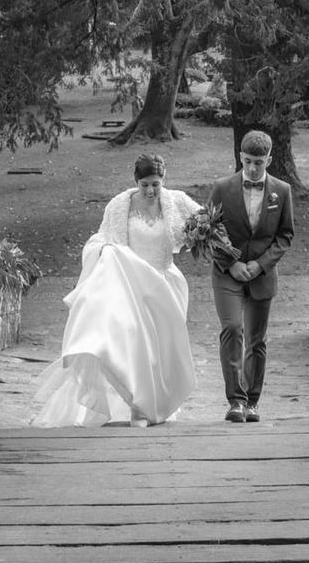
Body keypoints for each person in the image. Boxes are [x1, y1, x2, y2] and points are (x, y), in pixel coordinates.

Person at [31, 153, 202, 427]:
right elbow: (102, 237)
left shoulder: (177, 201)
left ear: (163, 181)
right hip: (129, 284)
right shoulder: (119, 205)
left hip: (164, 285)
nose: (150, 191)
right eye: (145, 185)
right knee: (136, 346)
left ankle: (158, 404)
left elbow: (206, 222)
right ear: (135, 181)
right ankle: (139, 407)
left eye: (156, 184)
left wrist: (199, 235)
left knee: (161, 352)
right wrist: (105, 250)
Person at [207, 129, 295, 423]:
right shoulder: (222, 188)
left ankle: (252, 402)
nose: (253, 168)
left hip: (261, 274)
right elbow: (209, 230)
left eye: (259, 162)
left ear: (268, 159)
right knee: (233, 328)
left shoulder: (282, 191)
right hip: (227, 273)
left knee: (257, 340)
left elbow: (285, 235)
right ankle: (236, 401)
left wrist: (260, 265)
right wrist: (231, 263)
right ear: (240, 157)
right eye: (247, 162)